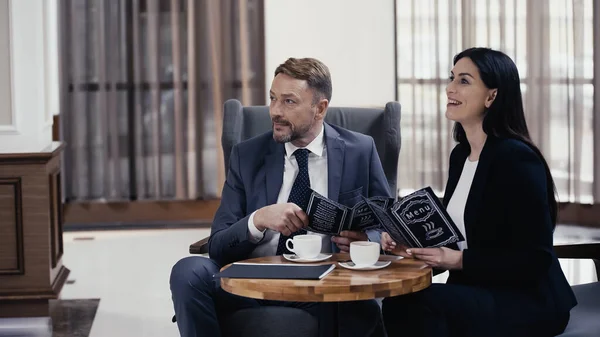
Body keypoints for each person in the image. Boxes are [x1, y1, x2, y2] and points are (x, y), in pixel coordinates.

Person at [170, 57, 391, 337]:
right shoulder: (246, 155)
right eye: (273, 98)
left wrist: (365, 242)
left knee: (351, 310)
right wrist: (258, 220)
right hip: (253, 282)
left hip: (323, 287)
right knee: (188, 272)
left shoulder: (360, 150)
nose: (274, 111)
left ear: (320, 108)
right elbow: (218, 244)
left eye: (289, 101)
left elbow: (387, 223)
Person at [380, 47, 577, 337]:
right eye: (451, 78)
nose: (449, 88)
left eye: (464, 80)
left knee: (418, 307)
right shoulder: (462, 156)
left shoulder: (516, 158)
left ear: (492, 96)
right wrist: (410, 248)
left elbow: (535, 259)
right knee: (402, 302)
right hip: (477, 291)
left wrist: (457, 261)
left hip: (525, 301)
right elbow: (457, 236)